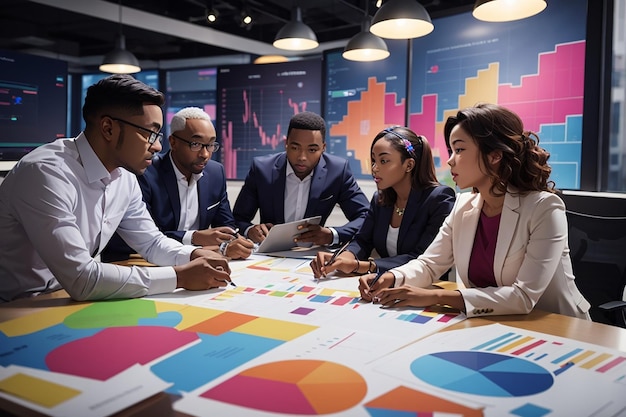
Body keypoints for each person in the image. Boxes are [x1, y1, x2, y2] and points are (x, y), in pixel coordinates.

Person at [0, 74, 233, 303]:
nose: (158, 146)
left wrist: (193, 254)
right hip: (17, 306)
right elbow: (82, 277)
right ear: (108, 128)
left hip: (66, 299)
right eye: (150, 133)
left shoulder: (124, 177)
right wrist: (179, 276)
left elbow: (151, 242)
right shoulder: (46, 173)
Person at [359, 103, 591, 320]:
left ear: (495, 155)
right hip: (491, 324)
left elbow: (523, 297)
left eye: (459, 149)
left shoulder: (544, 208)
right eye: (451, 150)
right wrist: (390, 278)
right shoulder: (463, 206)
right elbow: (430, 264)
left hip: (556, 329)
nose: (450, 161)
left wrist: (437, 296)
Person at [102, 107, 253, 262]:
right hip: (136, 261)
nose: (205, 154)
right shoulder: (143, 172)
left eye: (210, 145)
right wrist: (195, 237)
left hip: (195, 259)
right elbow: (143, 236)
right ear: (173, 142)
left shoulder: (215, 173)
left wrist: (233, 241)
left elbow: (226, 226)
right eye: (196, 144)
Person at [310, 126, 455, 278]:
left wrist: (362, 266)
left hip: (427, 288)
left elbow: (421, 258)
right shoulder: (380, 200)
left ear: (409, 165)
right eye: (374, 160)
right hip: (385, 286)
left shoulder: (439, 199)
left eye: (384, 161)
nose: (374, 168)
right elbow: (362, 241)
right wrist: (344, 258)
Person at [232, 111, 369, 246]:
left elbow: (366, 217)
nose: (302, 157)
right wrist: (250, 230)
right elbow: (237, 219)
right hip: (269, 254)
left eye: (312, 150)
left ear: (323, 148)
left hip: (311, 257)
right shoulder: (262, 169)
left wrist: (332, 234)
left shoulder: (338, 171)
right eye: (295, 148)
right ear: (286, 144)